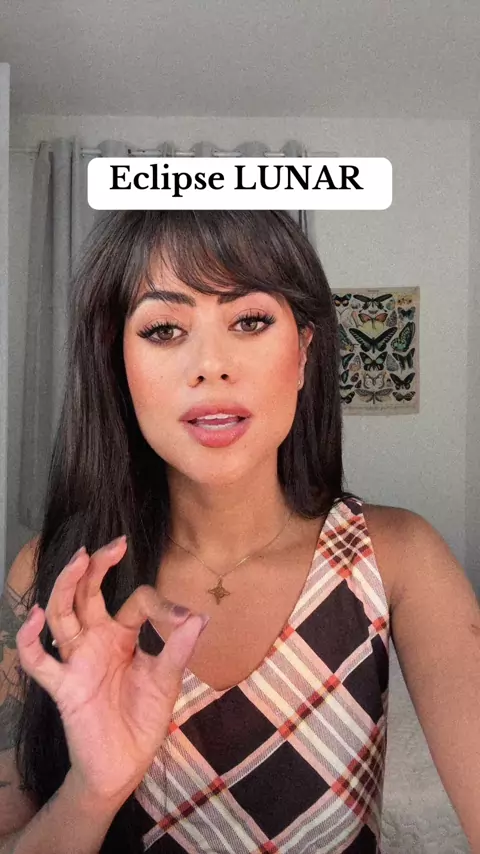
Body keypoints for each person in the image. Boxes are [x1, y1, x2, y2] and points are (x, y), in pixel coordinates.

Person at [0, 210, 478, 854]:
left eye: (249, 321)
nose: (211, 365)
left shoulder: (398, 557)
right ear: (118, 364)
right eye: (164, 329)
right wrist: (91, 790)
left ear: (304, 352)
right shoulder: (57, 579)